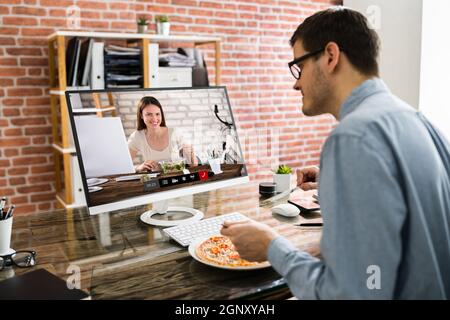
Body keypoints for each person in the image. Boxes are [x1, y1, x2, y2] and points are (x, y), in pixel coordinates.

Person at [221, 7, 450, 299]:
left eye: (299, 67)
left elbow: (350, 293)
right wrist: (334, 184)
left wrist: (271, 247)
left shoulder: (353, 138)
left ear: (330, 56)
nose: (296, 83)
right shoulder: (420, 122)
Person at [128, 96, 197, 172]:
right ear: (141, 115)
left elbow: (194, 165)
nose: (154, 118)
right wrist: (138, 168)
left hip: (178, 177)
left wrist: (190, 154)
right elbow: (124, 165)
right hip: (155, 180)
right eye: (149, 114)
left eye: (157, 114)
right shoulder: (137, 137)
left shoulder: (175, 133)